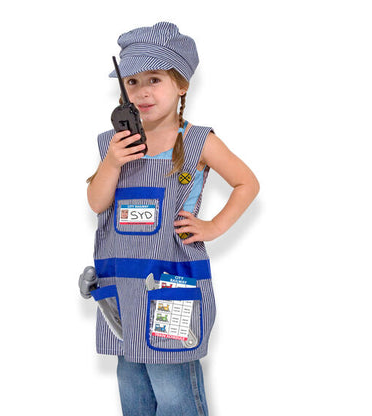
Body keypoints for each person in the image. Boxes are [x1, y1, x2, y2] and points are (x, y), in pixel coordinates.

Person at [85, 22, 259, 416]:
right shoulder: (114, 145)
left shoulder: (198, 141)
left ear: (181, 85)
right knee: (133, 384)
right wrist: (112, 162)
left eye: (154, 79)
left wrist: (213, 226)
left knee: (174, 386)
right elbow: (97, 203)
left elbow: (246, 182)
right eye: (132, 81)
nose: (142, 91)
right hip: (124, 286)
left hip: (171, 284)